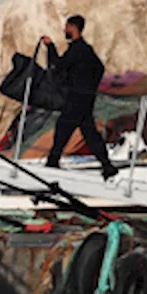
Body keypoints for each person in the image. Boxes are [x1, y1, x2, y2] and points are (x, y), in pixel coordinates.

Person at [42, 15, 117, 180]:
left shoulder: (77, 49)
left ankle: (52, 162)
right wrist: (90, 87)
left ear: (74, 28)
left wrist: (50, 47)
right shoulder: (85, 49)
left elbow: (58, 65)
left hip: (77, 96)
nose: (65, 30)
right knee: (89, 131)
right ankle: (106, 164)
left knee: (63, 126)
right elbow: (99, 68)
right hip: (86, 97)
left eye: (67, 27)